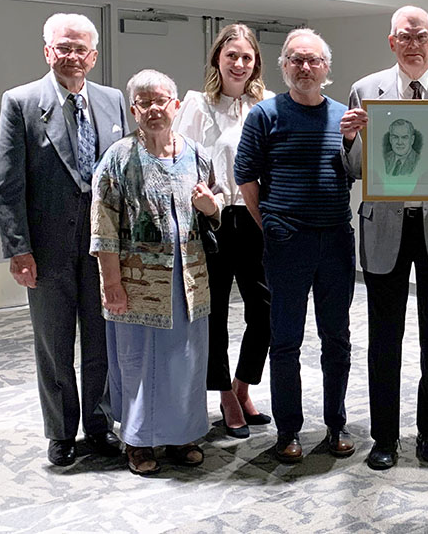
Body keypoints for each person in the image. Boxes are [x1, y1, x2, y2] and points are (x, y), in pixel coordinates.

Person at [339, 5, 428, 470]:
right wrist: (348, 141)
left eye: (421, 36)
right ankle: (384, 438)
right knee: (384, 339)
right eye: (405, 35)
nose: (413, 43)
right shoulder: (366, 90)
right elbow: (357, 169)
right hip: (385, 228)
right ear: (392, 42)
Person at [0, 13, 127, 466]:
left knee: (101, 340)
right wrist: (18, 249)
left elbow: (124, 177)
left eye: (81, 49)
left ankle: (100, 425)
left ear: (94, 55)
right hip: (46, 250)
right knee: (53, 345)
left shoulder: (113, 102)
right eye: (64, 47)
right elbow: (8, 186)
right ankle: (61, 431)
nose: (73, 56)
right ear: (48, 51)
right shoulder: (21, 102)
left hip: (103, 250)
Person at [91, 69, 221, 475]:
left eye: (161, 100)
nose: (153, 109)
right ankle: (138, 441)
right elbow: (103, 226)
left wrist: (211, 207)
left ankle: (182, 436)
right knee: (137, 363)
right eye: (144, 102)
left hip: (189, 284)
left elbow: (215, 203)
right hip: (136, 286)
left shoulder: (197, 154)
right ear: (133, 110)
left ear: (176, 105)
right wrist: (111, 282)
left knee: (185, 361)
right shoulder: (118, 158)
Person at [235, 28, 356, 463]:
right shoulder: (265, 115)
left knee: (336, 339)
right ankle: (289, 431)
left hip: (337, 241)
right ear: (284, 66)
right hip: (287, 242)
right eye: (296, 60)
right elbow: (245, 174)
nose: (305, 68)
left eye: (313, 61)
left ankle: (336, 425)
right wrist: (267, 224)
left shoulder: (344, 116)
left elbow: (359, 171)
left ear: (326, 69)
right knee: (286, 341)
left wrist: (351, 140)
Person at [173, 24, 273, 439]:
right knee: (213, 316)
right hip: (212, 220)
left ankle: (243, 385)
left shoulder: (266, 105)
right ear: (218, 58)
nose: (239, 63)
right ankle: (224, 396)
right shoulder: (197, 104)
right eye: (231, 55)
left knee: (265, 311)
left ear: (256, 64)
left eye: (247, 57)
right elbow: (179, 165)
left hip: (254, 217)